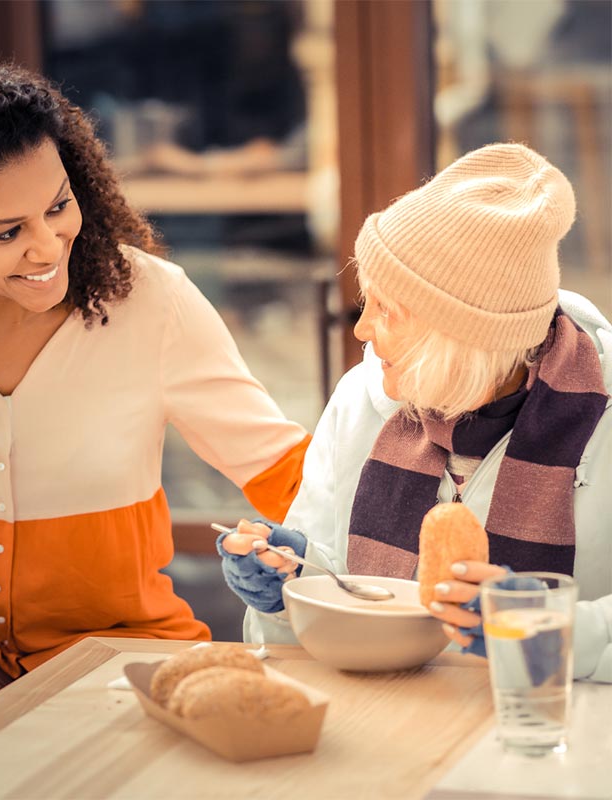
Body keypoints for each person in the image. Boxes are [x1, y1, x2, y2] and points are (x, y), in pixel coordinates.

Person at [0, 57, 311, 757]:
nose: (47, 246)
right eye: (5, 232)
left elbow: (282, 465)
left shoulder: (151, 300)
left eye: (57, 206)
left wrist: (394, 550)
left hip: (125, 642)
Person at [217, 142, 612, 683]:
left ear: (462, 338)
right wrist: (294, 584)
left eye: (387, 309)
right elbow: (349, 589)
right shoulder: (361, 395)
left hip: (554, 735)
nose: (361, 329)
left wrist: (553, 629)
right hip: (387, 724)